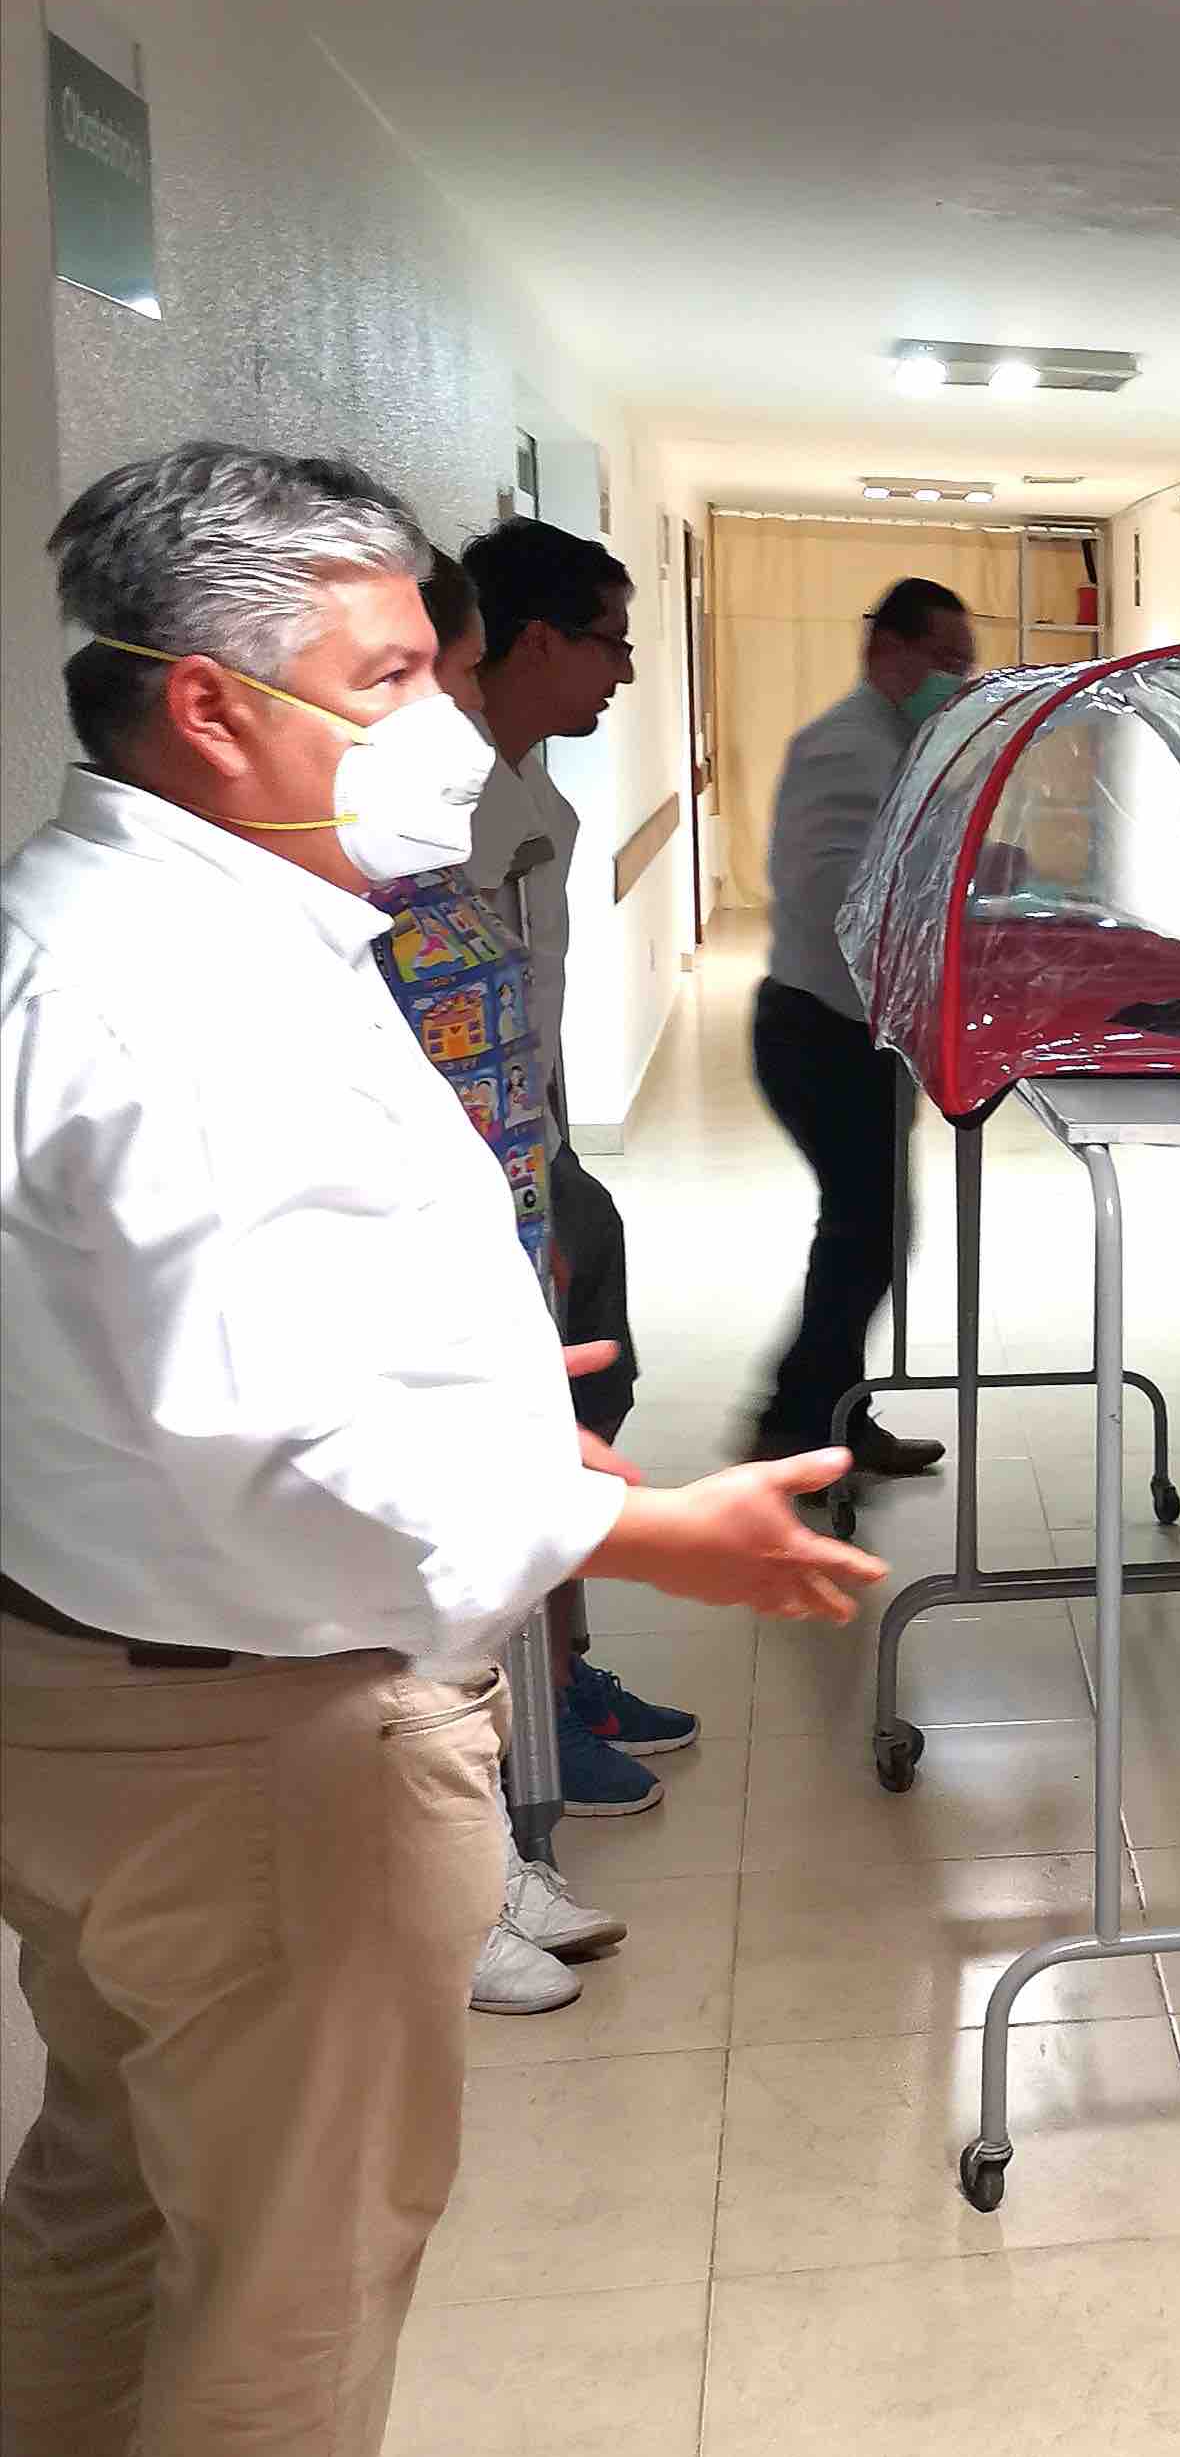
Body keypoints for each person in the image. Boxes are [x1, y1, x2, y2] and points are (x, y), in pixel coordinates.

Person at [0, 444, 883, 2457]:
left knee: (102, 2178)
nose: (439, 718)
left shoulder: (119, 923)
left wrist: (497, 1394)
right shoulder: (173, 994)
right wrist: (623, 1521)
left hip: (91, 1678)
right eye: (387, 673)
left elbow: (205, 1343)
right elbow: (260, 1421)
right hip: (255, 1725)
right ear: (211, 702)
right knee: (292, 2250)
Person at [392, 547, 622, 2017]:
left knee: (522, 1491)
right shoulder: (374, 856)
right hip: (433, 1240)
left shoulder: (463, 822)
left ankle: (502, 1817)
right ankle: (461, 1878)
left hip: (512, 1187)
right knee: (434, 1556)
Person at [461, 516, 695, 1813]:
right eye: (611, 642)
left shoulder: (527, 792)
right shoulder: (444, 816)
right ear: (537, 641)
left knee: (589, 1415)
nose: (626, 670)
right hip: (484, 1183)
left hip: (542, 1157)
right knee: (530, 1441)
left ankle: (566, 1671)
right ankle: (527, 1720)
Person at [745, 575, 975, 1475]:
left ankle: (827, 1412)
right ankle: (799, 1423)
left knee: (868, 1230)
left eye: (964, 664)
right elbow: (836, 890)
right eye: (943, 660)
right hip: (821, 1029)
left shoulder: (898, 743)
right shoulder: (845, 747)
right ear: (887, 649)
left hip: (859, 1026)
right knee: (865, 1233)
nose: (954, 678)